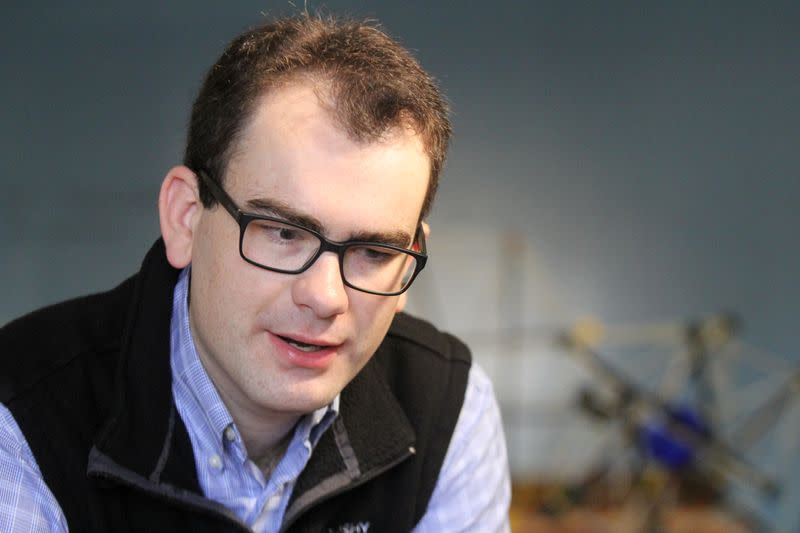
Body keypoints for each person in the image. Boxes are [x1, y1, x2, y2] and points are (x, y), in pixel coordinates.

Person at [0, 13, 510, 532]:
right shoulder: (22, 419)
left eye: (375, 252)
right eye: (285, 233)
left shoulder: (448, 407)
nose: (326, 297)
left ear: (410, 258)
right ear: (186, 218)